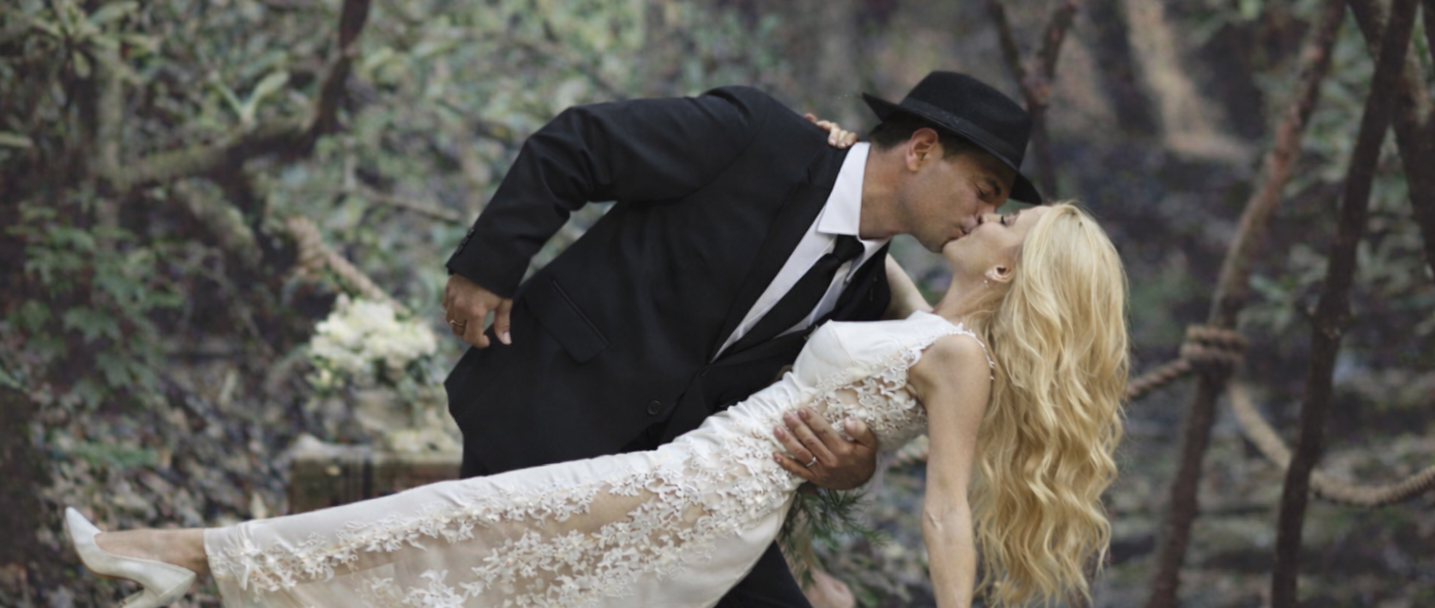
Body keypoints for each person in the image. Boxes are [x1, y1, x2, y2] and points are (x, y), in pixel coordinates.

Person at [64, 200, 1129, 608]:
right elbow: (862, 249)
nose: (987, 215)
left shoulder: (958, 359)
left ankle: (184, 553)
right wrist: (837, 164)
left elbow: (946, 506)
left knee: (460, 527)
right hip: (691, 479)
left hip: (705, 497)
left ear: (1010, 274)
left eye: (1007, 222)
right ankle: (191, 561)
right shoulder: (924, 321)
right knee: (470, 546)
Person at [436, 71, 1040, 606]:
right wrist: (486, 266)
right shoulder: (757, 136)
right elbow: (580, 142)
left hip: (677, 495)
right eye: (985, 190)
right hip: (541, 413)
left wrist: (851, 466)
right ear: (922, 149)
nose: (985, 216)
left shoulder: (869, 291)